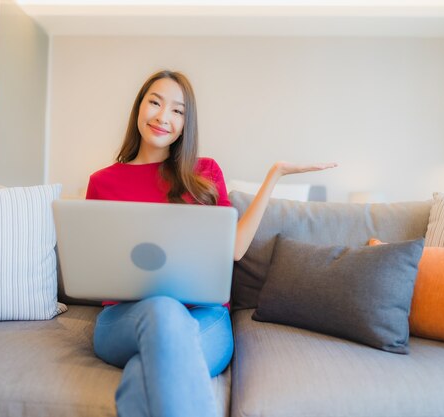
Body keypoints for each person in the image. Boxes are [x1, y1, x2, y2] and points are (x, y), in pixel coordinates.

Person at [86, 69, 337, 417]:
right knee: (162, 310)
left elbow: (233, 249)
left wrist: (274, 174)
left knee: (144, 371)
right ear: (138, 108)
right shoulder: (102, 182)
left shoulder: (204, 173)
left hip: (205, 318)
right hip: (126, 319)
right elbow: (92, 264)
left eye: (177, 110)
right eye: (155, 103)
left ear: (187, 123)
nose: (163, 116)